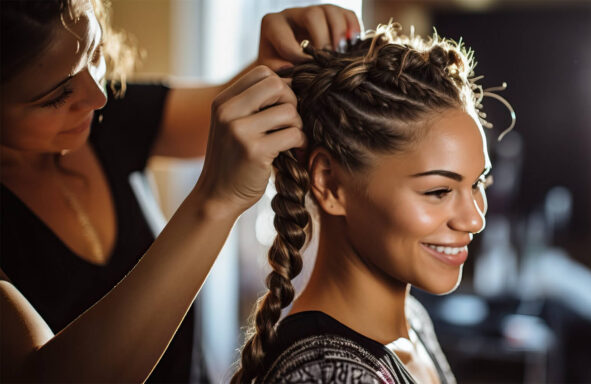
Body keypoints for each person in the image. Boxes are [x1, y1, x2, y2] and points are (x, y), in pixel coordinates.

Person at [0, 1, 360, 382]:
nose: (98, 96)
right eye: (56, 96)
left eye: (95, 54)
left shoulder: (105, 115)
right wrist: (214, 202)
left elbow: (224, 108)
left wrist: (269, 64)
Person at [231, 24, 492, 384]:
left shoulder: (413, 322)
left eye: (477, 183)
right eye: (438, 191)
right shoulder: (325, 377)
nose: (474, 219)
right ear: (330, 184)